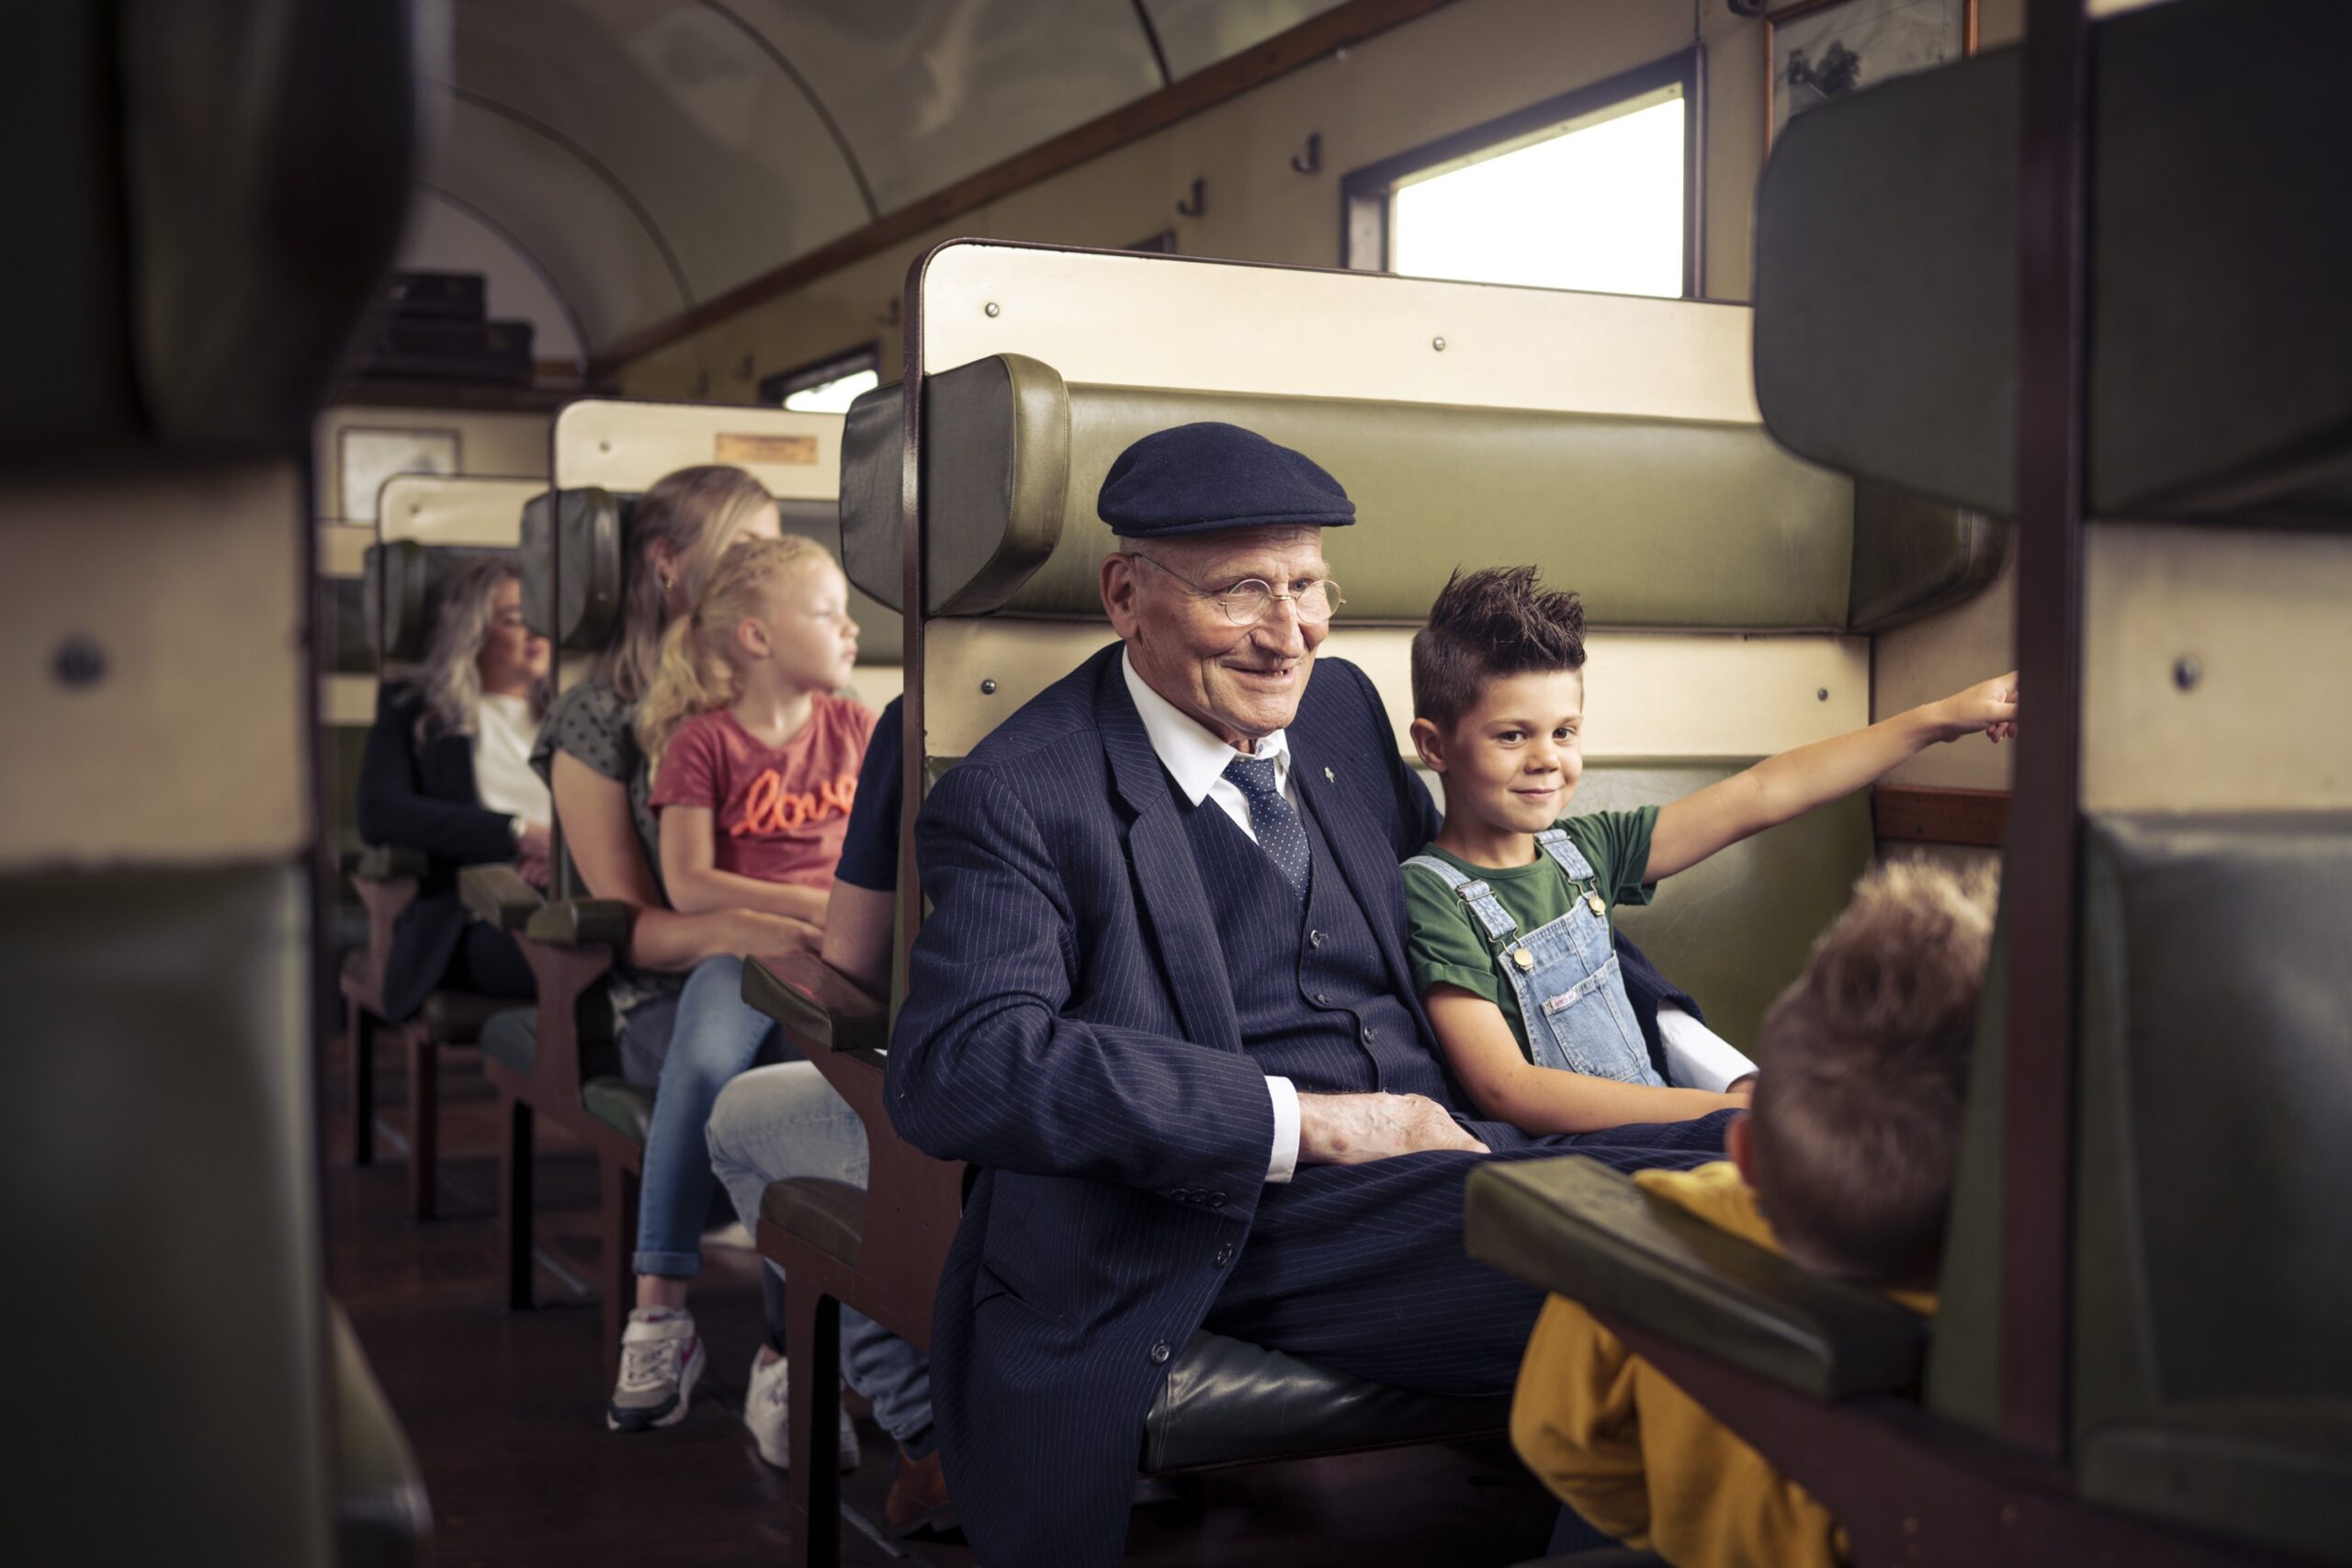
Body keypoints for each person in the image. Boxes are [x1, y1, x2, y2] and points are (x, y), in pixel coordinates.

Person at [883, 422, 1742, 1567]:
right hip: (1228, 1217)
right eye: (1244, 591)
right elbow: (962, 1067)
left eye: (1308, 586)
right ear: (1125, 593)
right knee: (1665, 1287)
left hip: (1460, 1153)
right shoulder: (1021, 795)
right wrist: (1311, 1121)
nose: (1290, 634)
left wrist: (1711, 1066)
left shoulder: (1337, 709)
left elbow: (1504, 892)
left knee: (1768, 1198)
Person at [1402, 565, 2016, 1136]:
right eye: (1512, 735)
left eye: (1564, 731)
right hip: (1581, 1162)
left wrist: (1941, 718)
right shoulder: (1430, 893)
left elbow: (1763, 790)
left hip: (1674, 1126)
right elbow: (1508, 1089)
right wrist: (1722, 1110)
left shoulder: (1585, 851)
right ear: (1434, 746)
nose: (1546, 759)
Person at [1510, 859, 1996, 1568]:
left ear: (1745, 1148)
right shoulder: (2024, 1315)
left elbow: (1556, 1434)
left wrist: (1674, 1529)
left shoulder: (1650, 1228)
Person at [529, 464, 826, 1453]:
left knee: (805, 1077)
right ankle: (665, 1316)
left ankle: (792, 1360)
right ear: (669, 566)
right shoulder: (601, 716)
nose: (768, 572)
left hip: (787, 975)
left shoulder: (798, 700)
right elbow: (637, 923)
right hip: (661, 987)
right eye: (748, 552)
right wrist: (755, 927)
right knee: (746, 1065)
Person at [601, 535, 875, 1433]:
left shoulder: (858, 728)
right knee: (709, 1067)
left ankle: (786, 1352)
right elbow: (690, 885)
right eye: (828, 612)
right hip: (738, 958)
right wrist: (807, 903)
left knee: (790, 1109)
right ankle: (660, 1311)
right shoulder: (700, 743)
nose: (852, 628)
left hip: (833, 968)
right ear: (757, 637)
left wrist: (836, 924)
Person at [705, 692, 951, 1532]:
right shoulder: (1327, 706)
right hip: (1235, 1134)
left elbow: (852, 967)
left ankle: (925, 1428)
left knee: (738, 1116)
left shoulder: (919, 711)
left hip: (988, 1137)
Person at [356, 555, 551, 1024]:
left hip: (575, 901)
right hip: (476, 921)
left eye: (543, 615)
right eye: (514, 620)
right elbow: (380, 812)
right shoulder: (418, 710)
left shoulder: (577, 713)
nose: (536, 632)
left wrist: (563, 858)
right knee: (588, 970)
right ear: (473, 630)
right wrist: (516, 834)